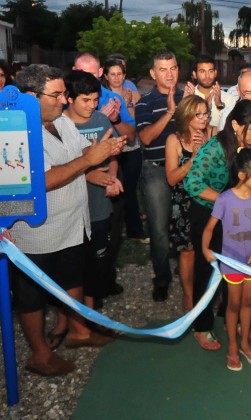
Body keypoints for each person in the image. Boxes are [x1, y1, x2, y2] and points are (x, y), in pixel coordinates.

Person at [9, 64, 123, 376]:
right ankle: (40, 354)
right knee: (32, 293)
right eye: (57, 94)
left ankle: (79, 331)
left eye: (63, 92)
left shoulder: (61, 120)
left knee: (73, 278)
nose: (64, 99)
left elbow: (78, 156)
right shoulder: (13, 131)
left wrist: (100, 159)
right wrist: (89, 159)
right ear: (31, 96)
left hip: (72, 223)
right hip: (35, 232)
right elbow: (41, 181)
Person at [184, 99, 251, 351]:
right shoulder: (215, 148)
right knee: (207, 270)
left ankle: (231, 317)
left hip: (238, 219)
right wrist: (226, 200)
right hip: (208, 212)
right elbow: (192, 183)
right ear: (234, 124)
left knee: (236, 266)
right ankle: (202, 325)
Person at [202, 148, 251, 371]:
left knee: (248, 302)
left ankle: (244, 342)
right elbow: (210, 228)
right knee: (233, 304)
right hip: (231, 262)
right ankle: (232, 346)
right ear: (241, 175)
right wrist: (205, 248)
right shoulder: (225, 199)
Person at [63, 70, 124, 311]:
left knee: (97, 258)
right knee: (72, 264)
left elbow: (113, 156)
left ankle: (89, 312)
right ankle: (71, 317)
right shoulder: (60, 125)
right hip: (71, 209)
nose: (92, 105)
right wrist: (89, 174)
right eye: (85, 100)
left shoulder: (101, 120)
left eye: (95, 99)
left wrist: (111, 176)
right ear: (69, 98)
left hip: (99, 205)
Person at [136, 50, 190, 302]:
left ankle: (187, 272)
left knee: (187, 226)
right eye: (163, 69)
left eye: (173, 68)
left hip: (186, 170)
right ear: (153, 73)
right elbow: (145, 138)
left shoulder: (188, 97)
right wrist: (170, 112)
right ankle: (162, 278)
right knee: (159, 230)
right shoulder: (145, 103)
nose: (169, 74)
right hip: (156, 170)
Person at [165, 95, 210, 311]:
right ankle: (188, 295)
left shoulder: (211, 136)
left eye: (205, 113)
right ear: (187, 115)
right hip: (183, 202)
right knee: (187, 251)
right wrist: (193, 159)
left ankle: (206, 294)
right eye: (198, 114)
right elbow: (171, 178)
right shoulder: (174, 140)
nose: (203, 118)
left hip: (206, 201)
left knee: (206, 250)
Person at [101, 58, 148, 243]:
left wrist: (129, 105)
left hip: (131, 146)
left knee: (130, 189)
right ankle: (113, 229)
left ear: (124, 75)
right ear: (106, 76)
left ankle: (134, 229)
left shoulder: (132, 93)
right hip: (112, 148)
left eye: (119, 74)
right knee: (112, 186)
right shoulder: (102, 96)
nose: (116, 77)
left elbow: (135, 124)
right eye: (112, 74)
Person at [73, 52, 136, 141]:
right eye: (81, 74)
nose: (86, 80)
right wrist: (100, 118)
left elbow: (131, 136)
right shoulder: (64, 99)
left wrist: (116, 120)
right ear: (73, 71)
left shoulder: (114, 99)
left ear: (100, 72)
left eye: (92, 75)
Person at [187, 54, 236, 137]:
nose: (207, 76)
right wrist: (189, 103)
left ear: (215, 73)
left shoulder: (227, 98)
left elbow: (232, 128)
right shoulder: (188, 96)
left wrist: (219, 105)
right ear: (194, 74)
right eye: (202, 71)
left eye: (211, 71)